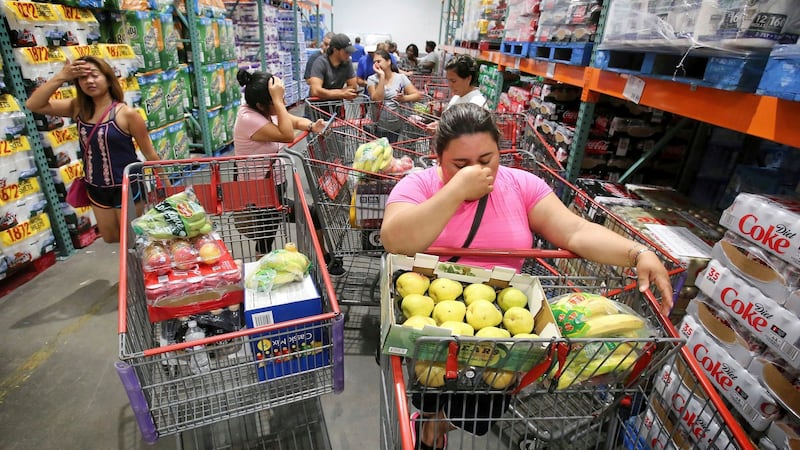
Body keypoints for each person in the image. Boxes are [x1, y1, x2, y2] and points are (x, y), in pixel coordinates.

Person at [380, 103, 674, 450]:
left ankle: (437, 427)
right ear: (437, 157)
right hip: (428, 318)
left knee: (479, 407)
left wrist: (637, 253)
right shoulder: (418, 185)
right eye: (460, 164)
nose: (477, 171)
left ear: (500, 152)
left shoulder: (521, 186)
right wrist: (457, 189)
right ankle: (429, 421)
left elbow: (575, 230)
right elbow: (396, 239)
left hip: (505, 322)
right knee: (430, 388)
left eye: (487, 159)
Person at [26, 56, 163, 243]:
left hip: (127, 186)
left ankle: (138, 271)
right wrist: (61, 77)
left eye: (95, 75)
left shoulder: (127, 114)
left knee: (131, 239)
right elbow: (34, 104)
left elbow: (150, 153)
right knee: (111, 237)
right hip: (95, 187)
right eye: (83, 78)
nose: (89, 81)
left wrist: (167, 188)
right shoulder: (77, 108)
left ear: (108, 79)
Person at [233, 69, 328, 256]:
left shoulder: (265, 110)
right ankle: (324, 259)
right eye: (279, 101)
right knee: (307, 217)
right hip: (260, 191)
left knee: (267, 233)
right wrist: (277, 101)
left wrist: (310, 125)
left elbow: (294, 121)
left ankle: (265, 268)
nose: (284, 104)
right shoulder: (248, 119)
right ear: (261, 105)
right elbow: (286, 134)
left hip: (273, 185)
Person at [366, 49, 422, 143]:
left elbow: (417, 95)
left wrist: (404, 98)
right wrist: (382, 76)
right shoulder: (372, 79)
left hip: (394, 127)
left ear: (388, 61)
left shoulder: (400, 78)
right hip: (375, 126)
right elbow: (377, 100)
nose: (376, 64)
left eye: (379, 61)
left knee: (389, 154)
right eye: (374, 62)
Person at [307, 33, 359, 118]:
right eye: (346, 52)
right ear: (335, 50)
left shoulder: (347, 62)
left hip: (335, 109)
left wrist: (327, 93)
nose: (349, 54)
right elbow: (315, 91)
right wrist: (341, 93)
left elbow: (353, 87)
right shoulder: (320, 62)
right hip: (317, 111)